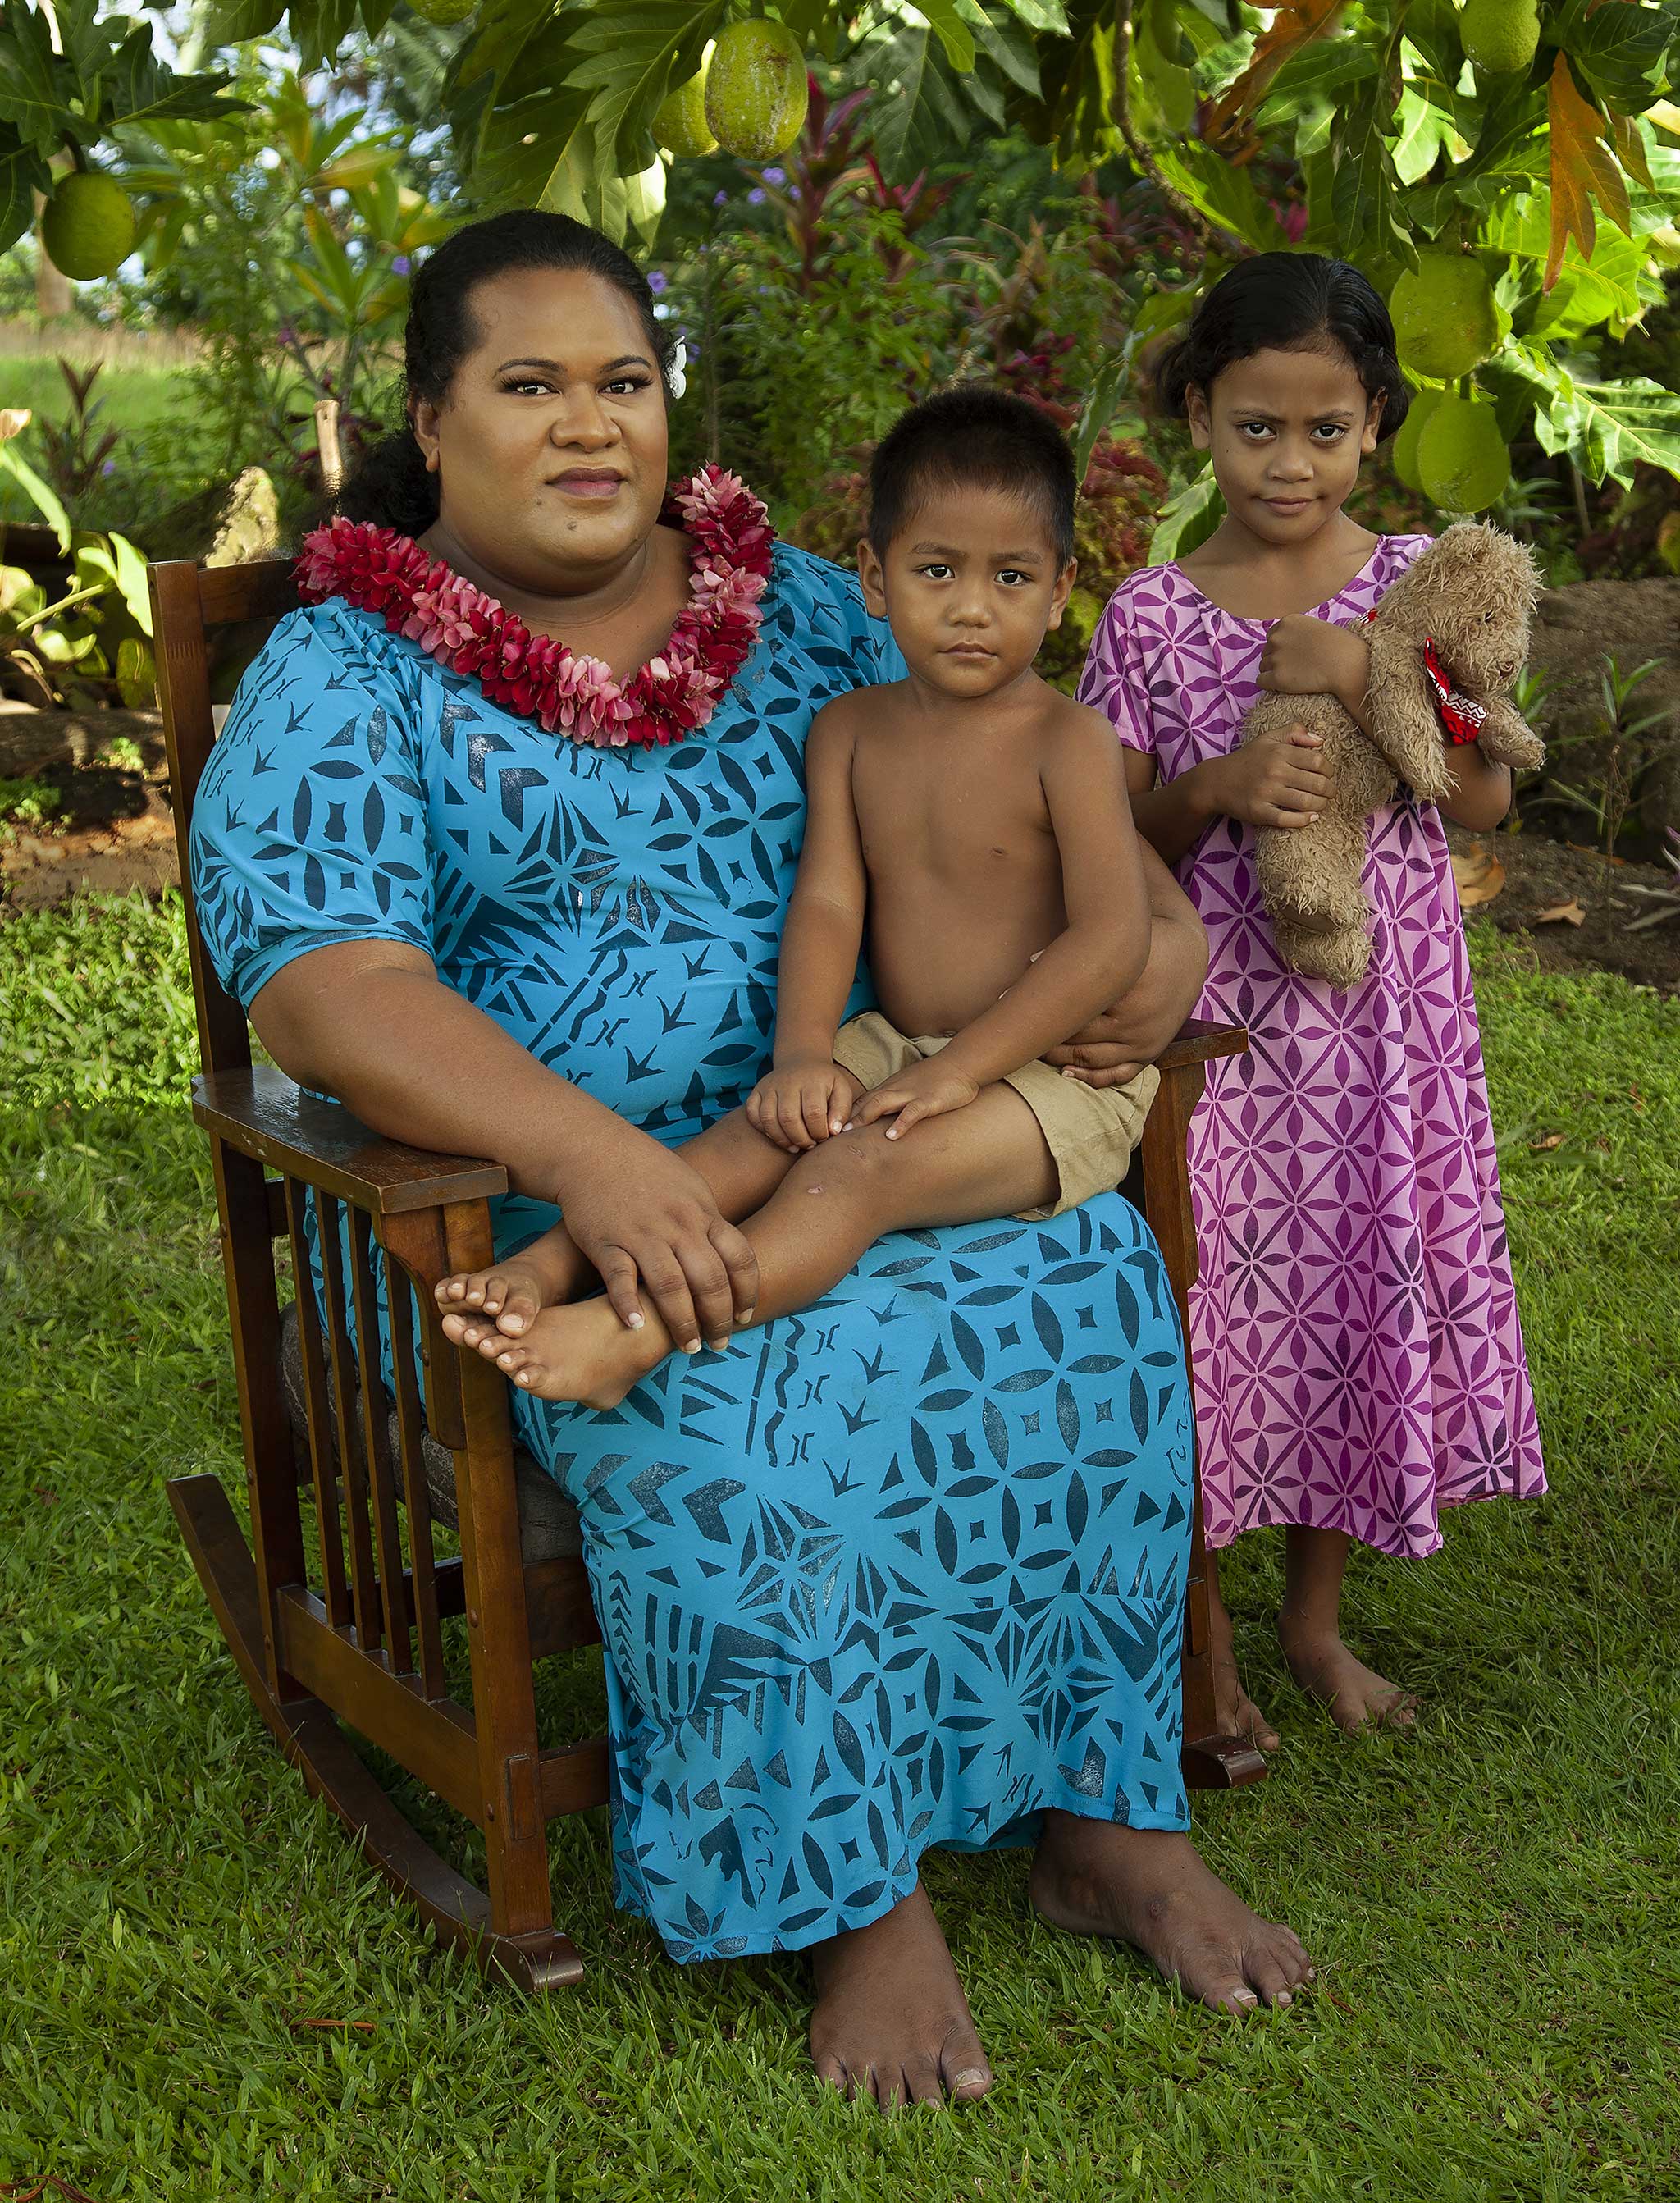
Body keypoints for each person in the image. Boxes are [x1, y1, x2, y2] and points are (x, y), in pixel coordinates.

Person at [189, 210, 1312, 2110]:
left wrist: (1157, 937)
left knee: (1079, 1290)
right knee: (741, 1385)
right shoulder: (348, 673)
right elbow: (321, 981)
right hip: (518, 1218)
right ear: (429, 419)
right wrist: (595, 1161)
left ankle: (1098, 1809)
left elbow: (1019, 796)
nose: (584, 425)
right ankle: (848, 1887)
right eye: (527, 384)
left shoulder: (795, 606)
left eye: (618, 380)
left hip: (871, 1118)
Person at [433, 388, 1163, 1407]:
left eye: (1011, 578)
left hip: (1048, 1081)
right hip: (892, 1043)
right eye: (936, 571)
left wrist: (961, 1070)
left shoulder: (1067, 745)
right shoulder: (851, 732)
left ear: (1059, 590)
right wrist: (804, 1054)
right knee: (751, 1137)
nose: (970, 607)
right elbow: (826, 905)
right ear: (873, 578)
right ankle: (545, 1269)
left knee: (855, 1171)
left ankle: (629, 1337)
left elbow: (1111, 936)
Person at [1077, 254, 1545, 1746]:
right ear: (1196, 417)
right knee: (1211, 1306)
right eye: (1254, 427)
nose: (1289, 463)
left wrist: (1356, 675)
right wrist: (1212, 787)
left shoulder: (1411, 592)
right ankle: (1193, 1633)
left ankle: (1314, 1624)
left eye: (1324, 430)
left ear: (1373, 427)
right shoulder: (1148, 619)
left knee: (1348, 1292)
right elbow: (1102, 840)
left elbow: (1480, 796)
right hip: (1215, 1041)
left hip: (1379, 1037)